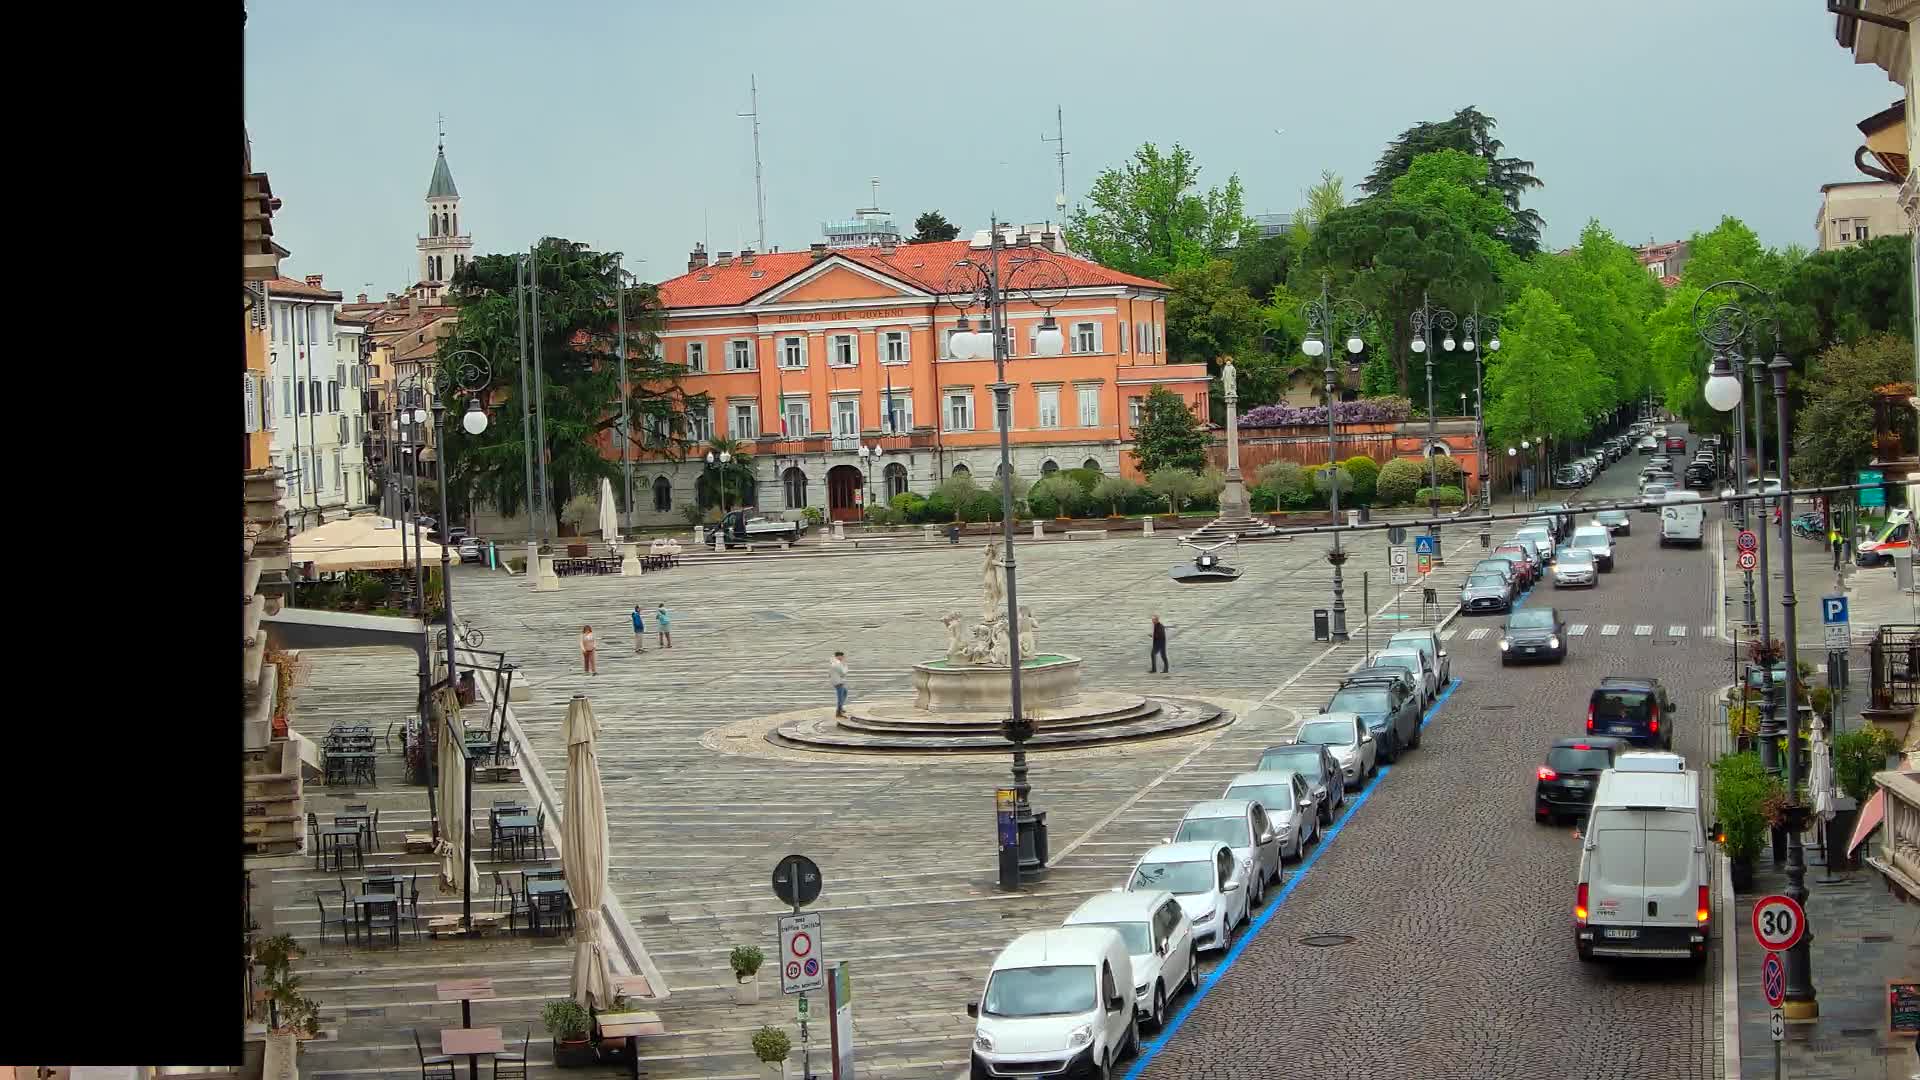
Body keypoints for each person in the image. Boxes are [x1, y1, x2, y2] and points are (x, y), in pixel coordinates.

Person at [830, 651, 849, 717]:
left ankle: (840, 708)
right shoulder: (837, 663)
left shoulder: (833, 662)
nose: (843, 658)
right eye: (842, 656)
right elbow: (843, 673)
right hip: (838, 682)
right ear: (838, 656)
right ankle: (838, 712)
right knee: (840, 697)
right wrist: (846, 666)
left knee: (845, 692)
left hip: (836, 681)